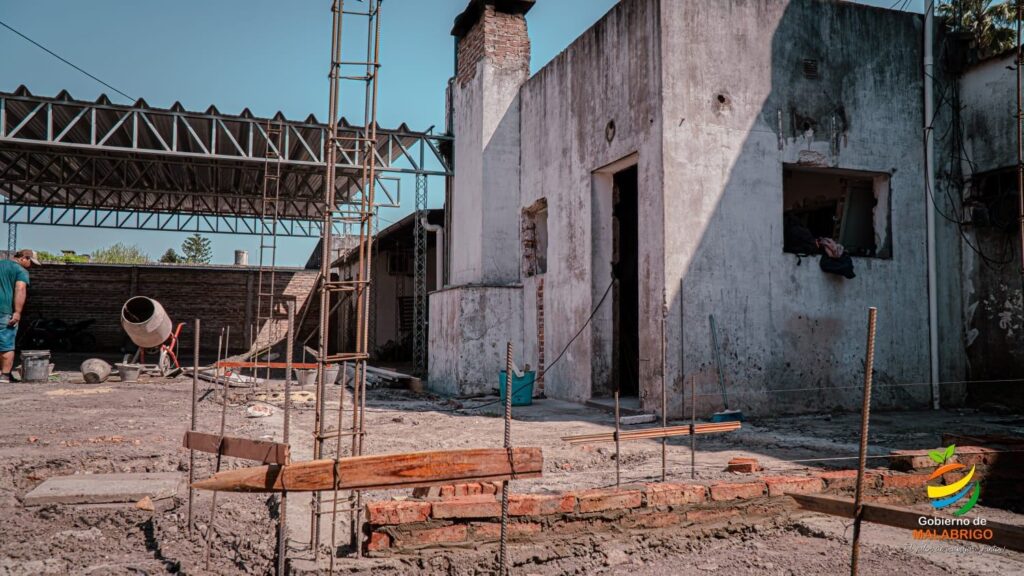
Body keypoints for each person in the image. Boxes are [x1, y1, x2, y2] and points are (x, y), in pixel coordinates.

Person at [0, 249, 40, 383]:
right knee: (6, 343)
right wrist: (17, 312)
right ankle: (5, 375)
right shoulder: (21, 271)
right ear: (24, 258)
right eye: (31, 262)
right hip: (4, 311)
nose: (32, 266)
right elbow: (20, 289)